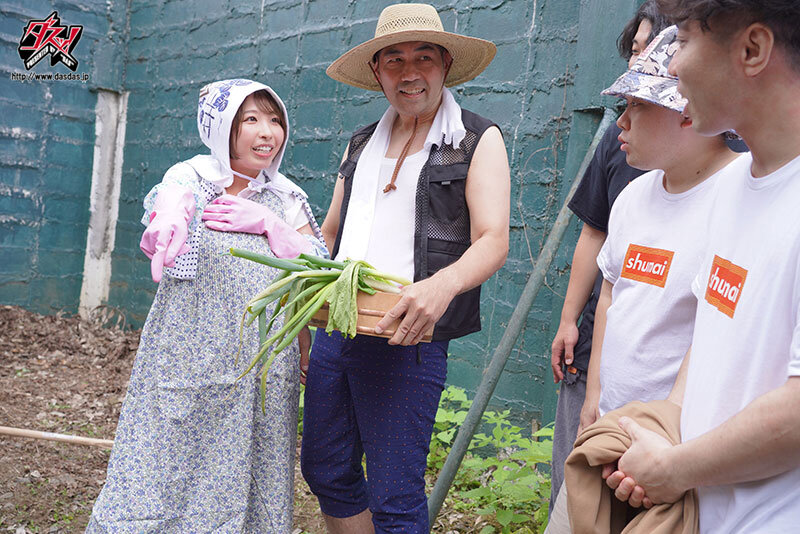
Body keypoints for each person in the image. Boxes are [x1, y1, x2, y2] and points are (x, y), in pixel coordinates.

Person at [299, 3, 510, 533]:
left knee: (395, 495)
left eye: (422, 57)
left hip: (408, 336)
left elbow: (493, 239)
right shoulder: (361, 143)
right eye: (393, 59)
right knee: (325, 468)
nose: (409, 71)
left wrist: (442, 286)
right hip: (338, 328)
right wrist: (303, 289)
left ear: (444, 64)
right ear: (377, 72)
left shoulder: (475, 139)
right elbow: (330, 233)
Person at [86, 79, 327, 533]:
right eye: (250, 119)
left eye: (275, 120)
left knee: (253, 473)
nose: (267, 132)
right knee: (165, 464)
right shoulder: (192, 178)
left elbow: (318, 273)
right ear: (221, 129)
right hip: (188, 359)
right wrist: (171, 217)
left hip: (262, 369)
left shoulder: (288, 199)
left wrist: (275, 228)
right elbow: (172, 200)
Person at [603, 0, 800, 530]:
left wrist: (675, 467)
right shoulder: (733, 187)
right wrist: (665, 426)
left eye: (684, 40)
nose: (669, 66)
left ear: (753, 50)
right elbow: (713, 330)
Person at [544, 25, 740, 533]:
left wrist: (673, 440)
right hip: (607, 430)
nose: (622, 122)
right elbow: (610, 291)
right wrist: (594, 397)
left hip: (677, 450)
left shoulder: (741, 196)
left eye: (640, 105)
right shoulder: (632, 196)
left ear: (689, 112)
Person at [548, 1, 672, 513]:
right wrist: (568, 319)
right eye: (634, 49)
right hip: (601, 352)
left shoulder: (732, 166)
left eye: (649, 49)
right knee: (575, 489)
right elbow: (593, 237)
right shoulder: (619, 150)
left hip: (664, 393)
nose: (636, 62)